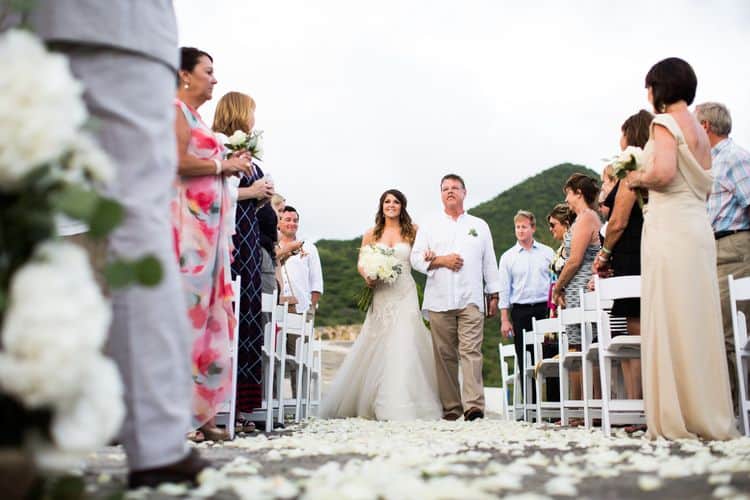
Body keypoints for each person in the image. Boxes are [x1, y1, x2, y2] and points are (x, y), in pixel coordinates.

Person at [28, 1, 207, 487]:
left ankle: (20, 431)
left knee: (17, 203)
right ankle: (156, 445)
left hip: (22, 23)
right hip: (119, 28)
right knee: (134, 222)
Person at [625, 57, 737, 440]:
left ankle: (677, 417)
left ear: (660, 88)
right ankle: (706, 412)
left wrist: (635, 176)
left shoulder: (664, 123)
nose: (648, 94)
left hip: (671, 228)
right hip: (697, 228)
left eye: (649, 86)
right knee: (696, 320)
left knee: (671, 316)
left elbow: (664, 173)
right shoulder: (702, 132)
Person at [174, 49, 254, 442]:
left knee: (211, 323)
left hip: (211, 239)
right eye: (208, 71)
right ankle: (178, 418)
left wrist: (231, 160)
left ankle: (204, 415)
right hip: (187, 233)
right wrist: (225, 165)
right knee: (186, 322)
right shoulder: (175, 111)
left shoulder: (200, 119)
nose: (214, 80)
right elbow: (176, 162)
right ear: (184, 75)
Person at [321, 189, 442, 420]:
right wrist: (367, 275)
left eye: (396, 202)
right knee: (379, 342)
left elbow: (423, 254)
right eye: (387, 201)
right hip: (381, 292)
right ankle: (374, 399)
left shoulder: (413, 231)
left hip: (405, 291)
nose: (391, 205)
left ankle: (403, 402)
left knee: (405, 341)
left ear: (402, 206)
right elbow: (361, 263)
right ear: (381, 205)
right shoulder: (371, 233)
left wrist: (429, 254)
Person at [411, 174, 501, 421]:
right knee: (444, 355)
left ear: (464, 192)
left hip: (471, 297)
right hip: (439, 299)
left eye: (454, 188)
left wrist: (493, 295)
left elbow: (489, 262)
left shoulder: (480, 225)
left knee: (471, 351)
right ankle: (451, 408)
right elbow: (416, 259)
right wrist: (441, 260)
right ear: (441, 194)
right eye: (445, 188)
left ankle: (473, 406)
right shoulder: (429, 225)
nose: (449, 191)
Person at [210, 91, 274, 429]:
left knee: (249, 322)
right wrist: (252, 192)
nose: (254, 118)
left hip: (249, 241)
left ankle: (241, 408)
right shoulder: (220, 144)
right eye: (251, 112)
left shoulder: (244, 151)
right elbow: (212, 190)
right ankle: (219, 405)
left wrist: (262, 195)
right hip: (233, 243)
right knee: (230, 321)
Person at [593, 109, 652, 405]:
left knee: (635, 327)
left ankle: (639, 402)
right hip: (635, 253)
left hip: (632, 254)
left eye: (622, 132)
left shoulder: (633, 172)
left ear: (631, 135)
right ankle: (635, 400)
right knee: (629, 327)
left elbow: (618, 222)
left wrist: (604, 254)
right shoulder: (649, 168)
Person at [695, 101, 750, 413]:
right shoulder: (710, 163)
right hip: (715, 251)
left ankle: (735, 411)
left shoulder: (734, 158)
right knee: (718, 331)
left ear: (704, 127)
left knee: (732, 332)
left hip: (734, 249)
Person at [552, 174, 601, 402]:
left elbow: (574, 260)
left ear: (578, 193)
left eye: (568, 193)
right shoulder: (580, 218)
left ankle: (593, 402)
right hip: (573, 292)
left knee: (587, 347)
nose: (567, 199)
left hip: (582, 289)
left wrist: (557, 287)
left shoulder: (587, 218)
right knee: (575, 347)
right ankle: (580, 405)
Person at [498, 210, 556, 402]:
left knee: (550, 355)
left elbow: (555, 282)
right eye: (517, 227)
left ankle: (555, 406)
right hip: (521, 311)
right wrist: (505, 319)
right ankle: (530, 407)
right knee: (525, 357)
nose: (520, 230)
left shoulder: (548, 253)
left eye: (524, 226)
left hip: (545, 310)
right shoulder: (508, 257)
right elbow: (504, 290)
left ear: (533, 228)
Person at [278, 206, 324, 315]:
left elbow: (316, 281)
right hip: (274, 306)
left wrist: (310, 308)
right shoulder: (272, 247)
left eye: (295, 221)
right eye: (288, 220)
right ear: (278, 222)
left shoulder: (309, 248)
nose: (292, 223)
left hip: (301, 308)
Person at [547, 203, 576, 318]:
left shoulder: (575, 246)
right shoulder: (561, 248)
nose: (550, 229)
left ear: (566, 224)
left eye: (553, 225)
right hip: (556, 302)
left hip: (570, 300)